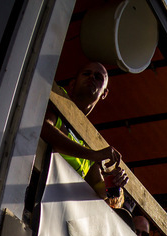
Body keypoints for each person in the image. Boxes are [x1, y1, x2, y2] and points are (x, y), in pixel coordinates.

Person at [40, 61, 129, 205]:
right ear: (72, 84)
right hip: (33, 188)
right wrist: (93, 155)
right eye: (86, 73)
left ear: (104, 93)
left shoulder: (90, 139)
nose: (92, 77)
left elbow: (100, 191)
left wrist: (114, 181)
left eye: (98, 77)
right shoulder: (58, 98)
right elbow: (44, 129)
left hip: (53, 207)